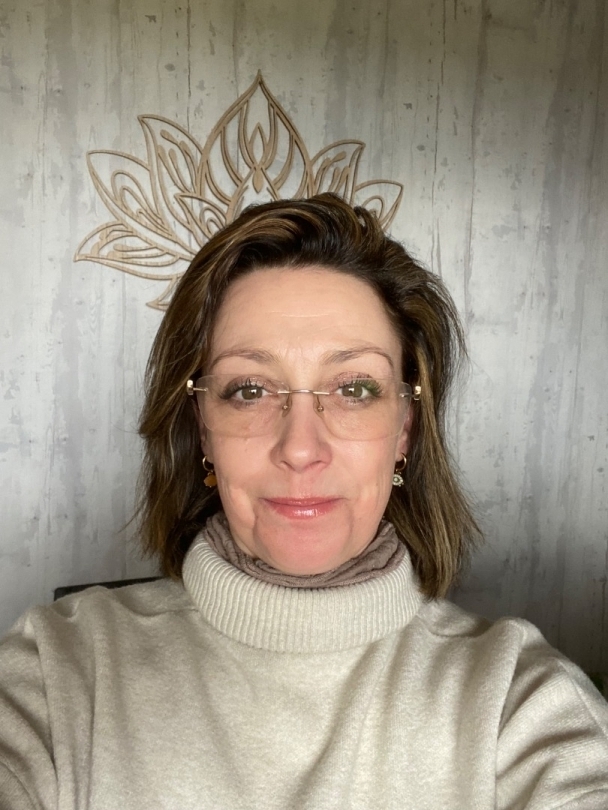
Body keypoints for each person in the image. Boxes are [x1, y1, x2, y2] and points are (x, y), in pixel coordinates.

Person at [0, 193, 607, 809]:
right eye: (249, 390)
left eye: (354, 389)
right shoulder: (57, 675)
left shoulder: (518, 703)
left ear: (405, 428)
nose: (299, 448)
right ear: (203, 429)